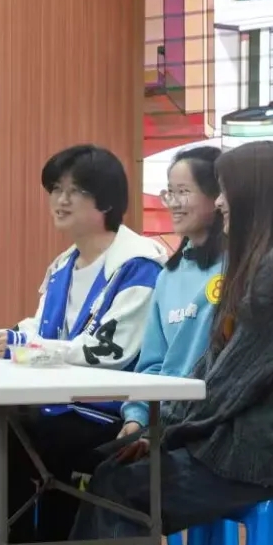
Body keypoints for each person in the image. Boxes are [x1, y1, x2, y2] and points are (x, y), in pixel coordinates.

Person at [60, 140, 273, 545]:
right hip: (251, 450)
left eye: (225, 190)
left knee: (122, 486)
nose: (219, 203)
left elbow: (232, 379)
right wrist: (159, 432)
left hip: (270, 459)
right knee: (111, 472)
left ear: (252, 192)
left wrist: (164, 435)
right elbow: (217, 365)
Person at [0, 144, 167, 545]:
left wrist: (19, 347)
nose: (61, 200)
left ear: (106, 201)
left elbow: (108, 351)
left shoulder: (139, 264)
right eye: (55, 189)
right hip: (55, 408)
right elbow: (39, 330)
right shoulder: (62, 266)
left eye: (75, 191)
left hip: (103, 415)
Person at [116, 146, 225, 441]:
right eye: (169, 193)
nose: (173, 203)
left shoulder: (237, 269)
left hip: (209, 425)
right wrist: (136, 417)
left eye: (183, 192)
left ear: (217, 197)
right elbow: (153, 363)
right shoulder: (168, 276)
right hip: (162, 421)